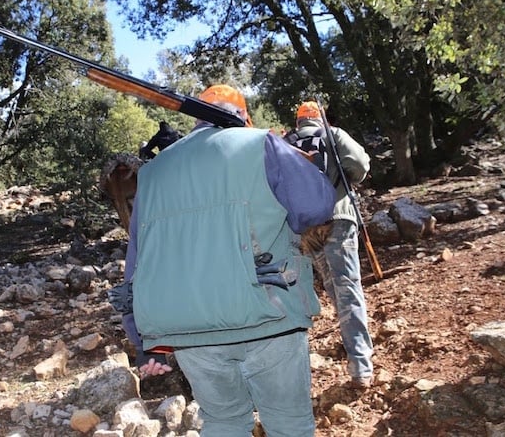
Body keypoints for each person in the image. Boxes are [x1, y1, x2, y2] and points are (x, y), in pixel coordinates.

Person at [121, 85, 336, 436]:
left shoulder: (153, 171)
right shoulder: (260, 143)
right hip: (269, 315)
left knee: (223, 422)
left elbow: (137, 263)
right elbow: (315, 208)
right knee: (290, 424)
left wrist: (145, 343)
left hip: (191, 331)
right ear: (243, 116)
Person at [288, 100, 374, 389]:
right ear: (319, 117)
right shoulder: (333, 134)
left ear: (299, 121)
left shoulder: (285, 142)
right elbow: (360, 165)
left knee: (330, 285)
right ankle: (360, 363)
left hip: (306, 228)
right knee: (347, 286)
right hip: (338, 218)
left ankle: (346, 338)